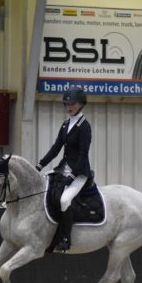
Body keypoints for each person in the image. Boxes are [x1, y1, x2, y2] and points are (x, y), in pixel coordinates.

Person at [35, 86, 92, 252]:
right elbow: (56, 148)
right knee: (45, 187)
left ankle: (65, 238)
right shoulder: (66, 124)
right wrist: (40, 164)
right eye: (66, 104)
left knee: (65, 200)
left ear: (81, 104)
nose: (68, 107)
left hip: (79, 172)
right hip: (63, 167)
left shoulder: (84, 126)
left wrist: (73, 175)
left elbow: (83, 154)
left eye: (72, 104)